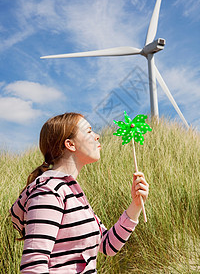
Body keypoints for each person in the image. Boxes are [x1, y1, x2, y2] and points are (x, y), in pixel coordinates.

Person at [10, 112, 149, 273]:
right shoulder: (48, 192)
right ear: (70, 144)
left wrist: (136, 205)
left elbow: (107, 245)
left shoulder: (72, 191)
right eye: (89, 131)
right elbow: (33, 267)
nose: (97, 136)